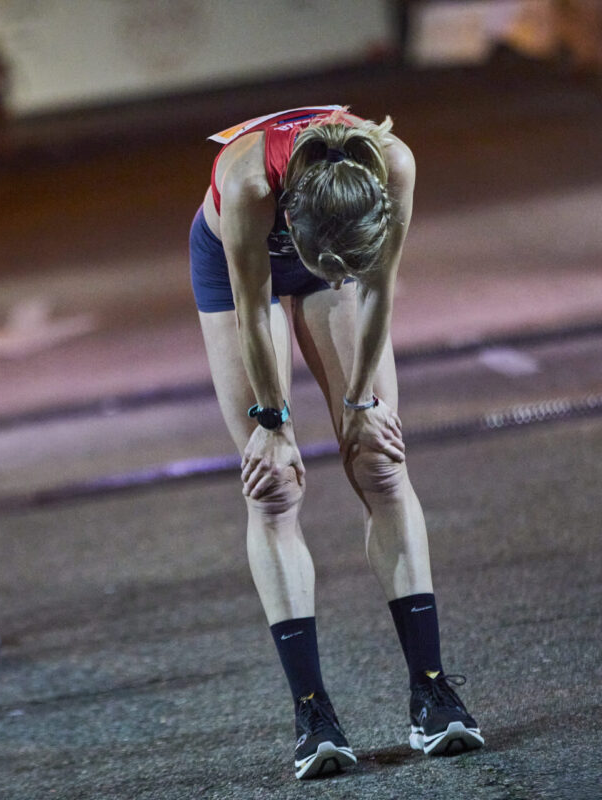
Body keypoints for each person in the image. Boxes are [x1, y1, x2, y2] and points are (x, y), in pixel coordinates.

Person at [190, 106, 483, 779]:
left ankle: (432, 690)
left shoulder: (393, 164)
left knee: (379, 460)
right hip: (241, 266)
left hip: (337, 250)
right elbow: (252, 312)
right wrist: (271, 425)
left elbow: (378, 290)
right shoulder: (248, 185)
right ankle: (312, 711)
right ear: (293, 219)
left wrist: (361, 404)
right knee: (273, 487)